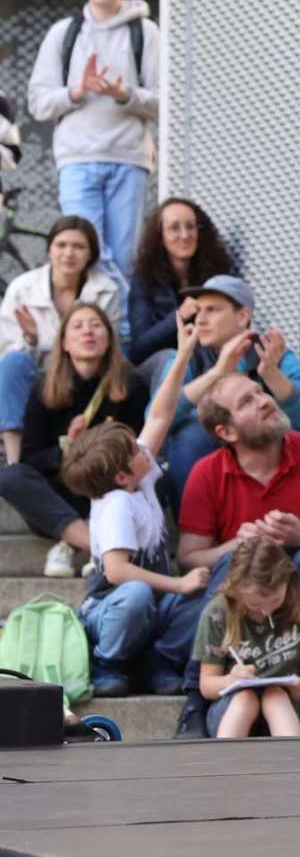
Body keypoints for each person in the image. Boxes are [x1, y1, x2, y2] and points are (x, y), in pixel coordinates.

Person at [175, 374, 300, 734]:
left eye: (259, 391)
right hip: (246, 606)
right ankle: (195, 700)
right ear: (227, 432)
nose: (264, 400)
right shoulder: (207, 473)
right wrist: (236, 545)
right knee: (228, 564)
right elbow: (189, 557)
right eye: (246, 402)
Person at [61, 325, 214, 696]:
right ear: (120, 474)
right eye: (134, 450)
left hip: (154, 607)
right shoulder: (115, 504)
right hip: (109, 613)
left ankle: (158, 661)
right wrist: (178, 582)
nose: (143, 450)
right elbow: (116, 571)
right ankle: (107, 662)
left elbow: (160, 416)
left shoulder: (136, 477)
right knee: (136, 594)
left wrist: (181, 357)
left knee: (210, 597)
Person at [26, 0, 160, 284]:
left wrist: (124, 94)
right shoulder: (64, 34)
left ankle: (122, 335)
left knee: (125, 256)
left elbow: (165, 103)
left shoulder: (144, 33)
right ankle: (89, 332)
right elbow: (39, 103)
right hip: (77, 159)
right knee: (83, 253)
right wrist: (77, 91)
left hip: (128, 157)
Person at [0, 304, 145, 579]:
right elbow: (31, 457)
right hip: (61, 495)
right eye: (77, 326)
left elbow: (141, 454)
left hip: (109, 491)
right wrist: (69, 450)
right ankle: (96, 544)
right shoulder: (44, 388)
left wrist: (109, 446)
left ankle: (70, 543)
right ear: (64, 342)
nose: (87, 332)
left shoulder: (131, 386)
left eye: (96, 325)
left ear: (109, 338)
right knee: (11, 476)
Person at [159, 274, 300, 498]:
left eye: (213, 310)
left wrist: (271, 374)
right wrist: (217, 373)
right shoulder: (188, 356)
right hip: (209, 462)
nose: (200, 319)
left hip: (264, 456)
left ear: (243, 316)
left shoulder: (270, 352)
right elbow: (156, 416)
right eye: (198, 310)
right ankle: (195, 527)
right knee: (189, 434)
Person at [0, 217, 124, 466]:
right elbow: (5, 352)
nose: (69, 253)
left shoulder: (106, 290)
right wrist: (31, 338)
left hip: (86, 377)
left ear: (91, 254)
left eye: (79, 247)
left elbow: (110, 346)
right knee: (13, 363)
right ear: (49, 249)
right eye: (61, 245)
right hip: (39, 376)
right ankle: (15, 464)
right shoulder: (22, 288)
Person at [193, 538, 300, 740]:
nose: (265, 610)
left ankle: (290, 762)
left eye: (275, 600)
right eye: (254, 604)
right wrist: (231, 680)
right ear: (236, 590)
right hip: (230, 708)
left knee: (274, 695)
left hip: (286, 707)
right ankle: (225, 763)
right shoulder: (217, 612)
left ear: (288, 581)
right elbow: (207, 685)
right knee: (245, 698)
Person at [127, 198, 237, 366]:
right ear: (160, 236)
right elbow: (139, 348)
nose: (185, 235)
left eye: (191, 226)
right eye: (174, 228)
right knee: (173, 359)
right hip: (162, 364)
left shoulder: (217, 273)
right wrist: (179, 316)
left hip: (208, 357)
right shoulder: (144, 277)